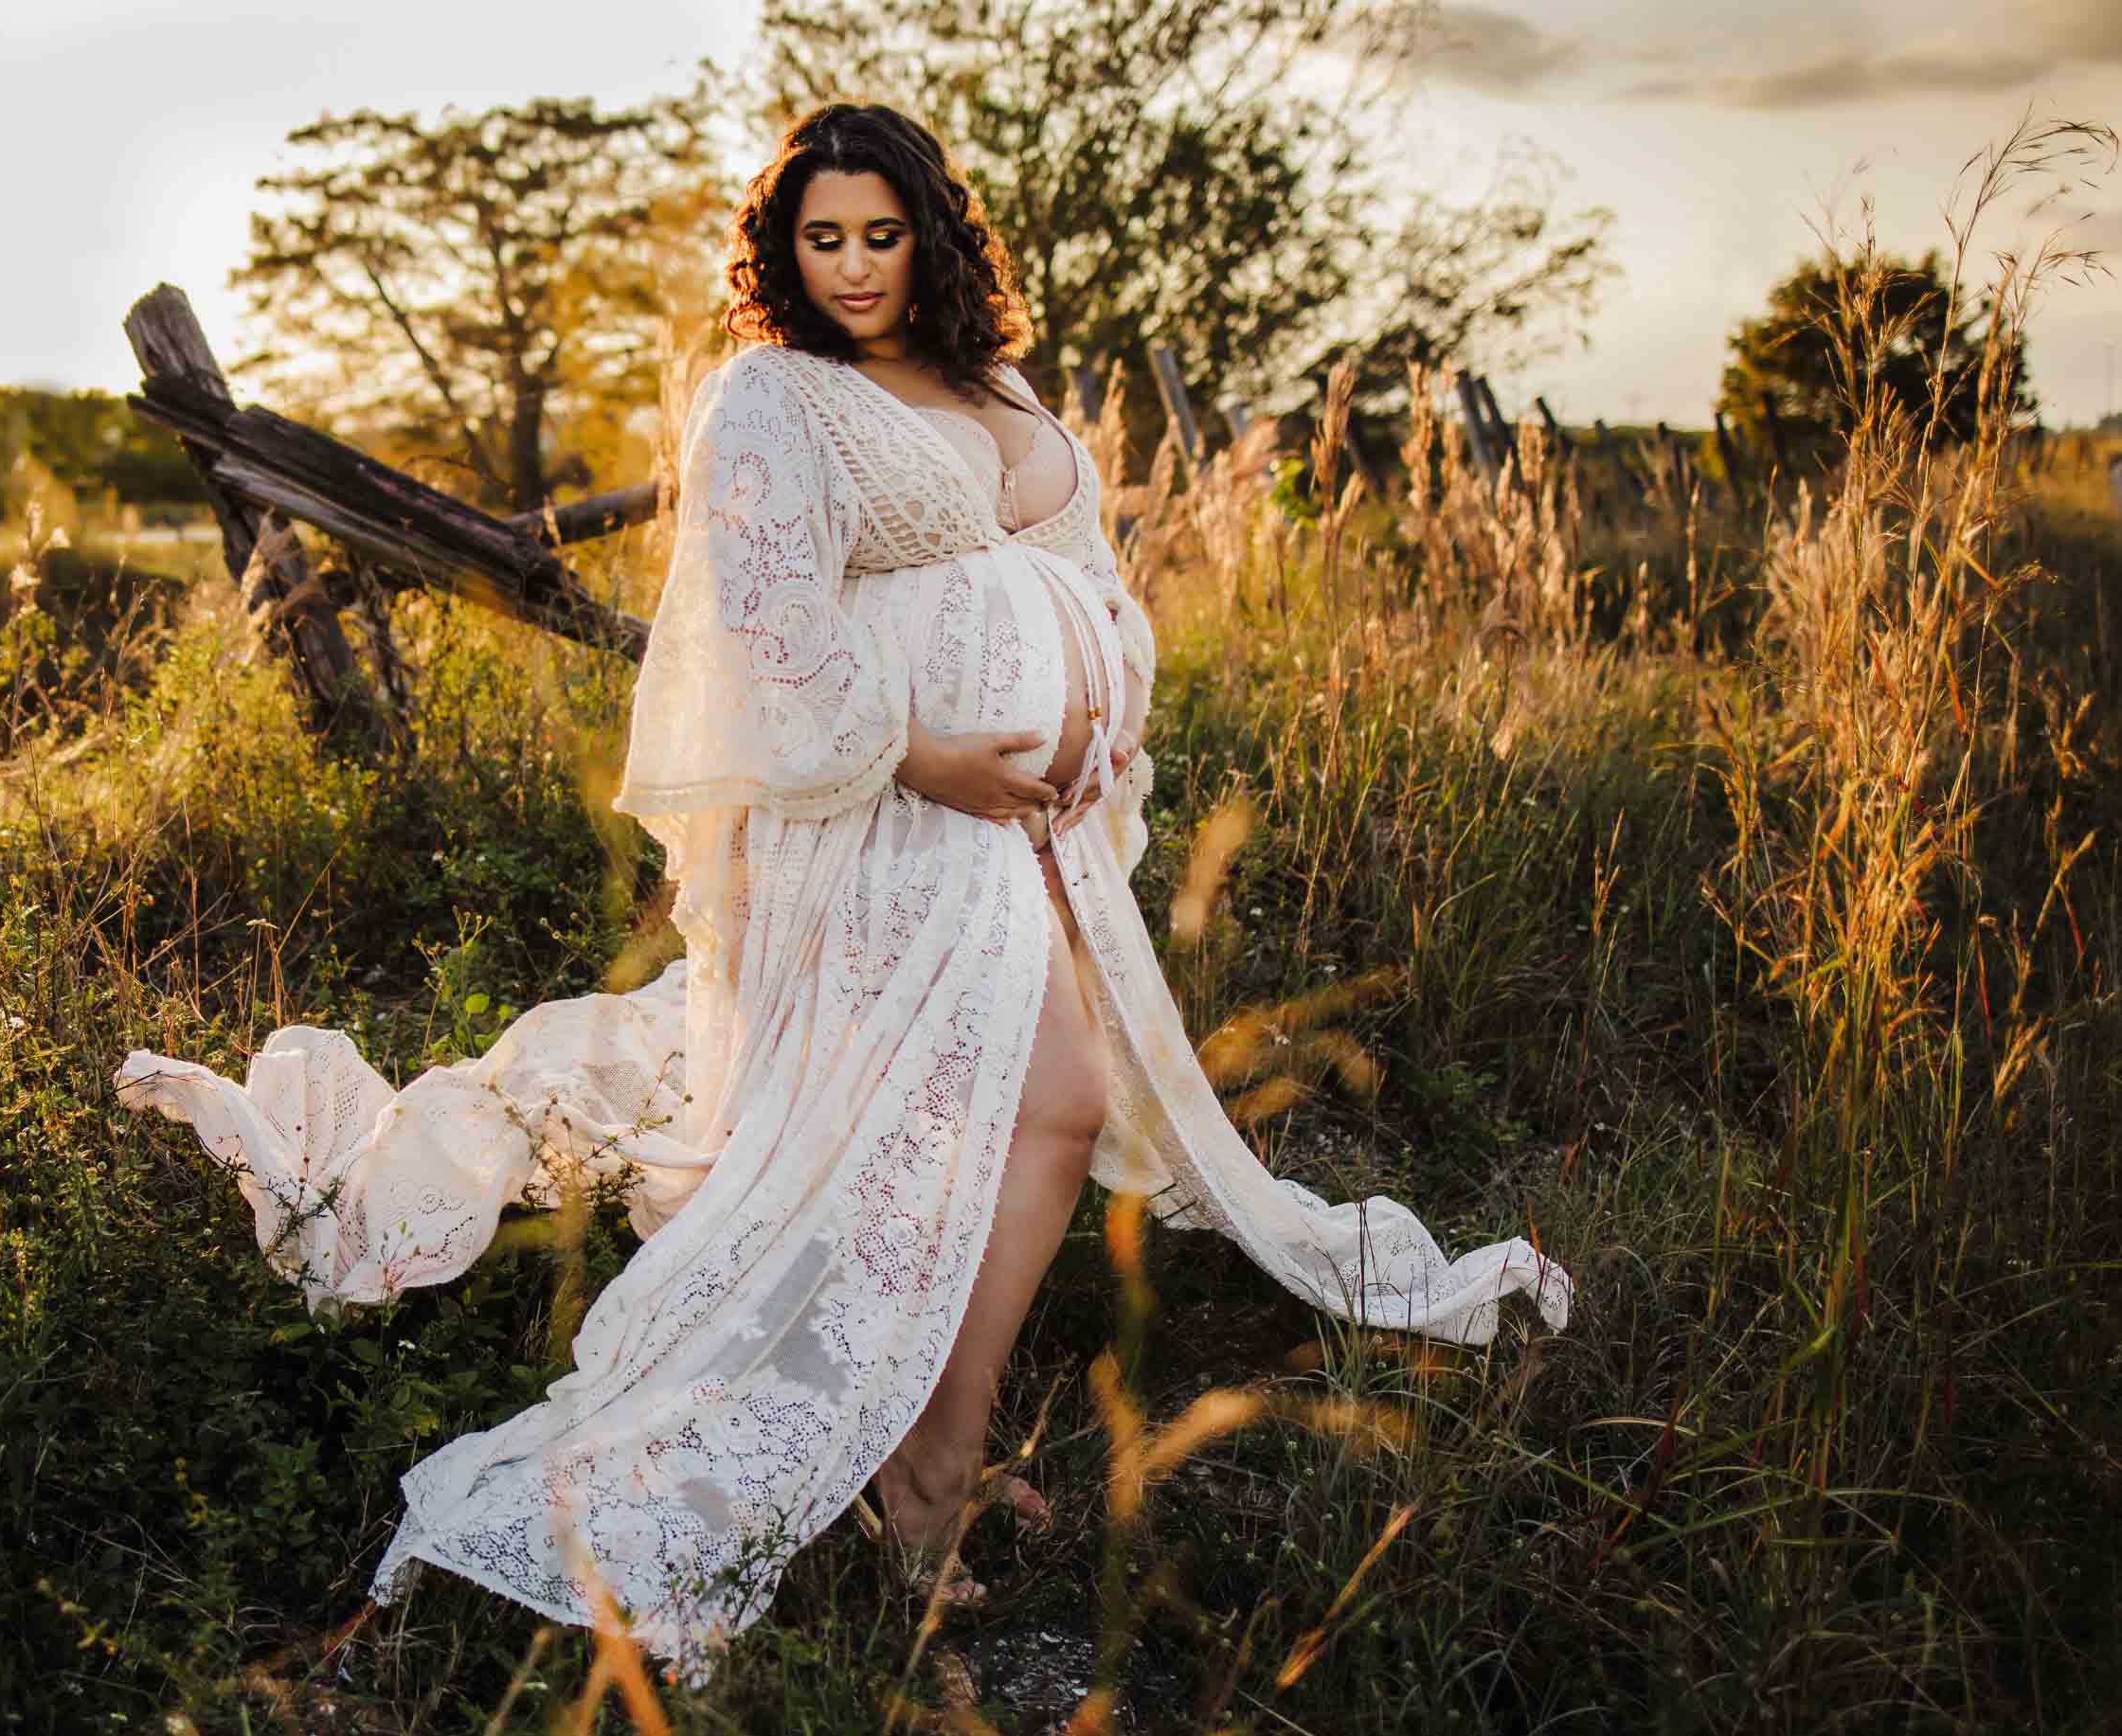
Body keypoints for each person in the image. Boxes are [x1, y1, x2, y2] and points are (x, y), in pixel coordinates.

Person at [114, 101, 1570, 1685]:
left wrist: (1107, 708)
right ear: (784, 250)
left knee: (1007, 1118)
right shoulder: (769, 395)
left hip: (1029, 829)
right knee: (1039, 1102)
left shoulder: (992, 384)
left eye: (882, 233)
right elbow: (769, 619)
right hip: (881, 816)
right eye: (824, 238)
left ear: (930, 235)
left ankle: (922, 1459)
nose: (856, 265)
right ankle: (918, 1473)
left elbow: (1083, 577)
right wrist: (926, 754)